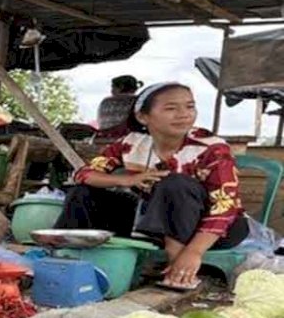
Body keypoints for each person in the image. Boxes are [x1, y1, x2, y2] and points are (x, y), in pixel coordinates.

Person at [55, 82, 249, 287]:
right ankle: (61, 258)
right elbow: (84, 174)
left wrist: (193, 252)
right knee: (83, 192)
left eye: (190, 106)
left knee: (173, 182)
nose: (184, 114)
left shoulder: (212, 148)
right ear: (142, 116)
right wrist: (127, 179)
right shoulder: (132, 143)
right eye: (171, 108)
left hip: (215, 230)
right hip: (155, 224)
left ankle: (178, 267)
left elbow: (225, 207)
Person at [96, 75, 143, 139]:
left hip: (105, 136)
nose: (111, 90)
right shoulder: (138, 100)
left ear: (121, 87)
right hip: (129, 138)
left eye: (113, 87)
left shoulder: (105, 101)